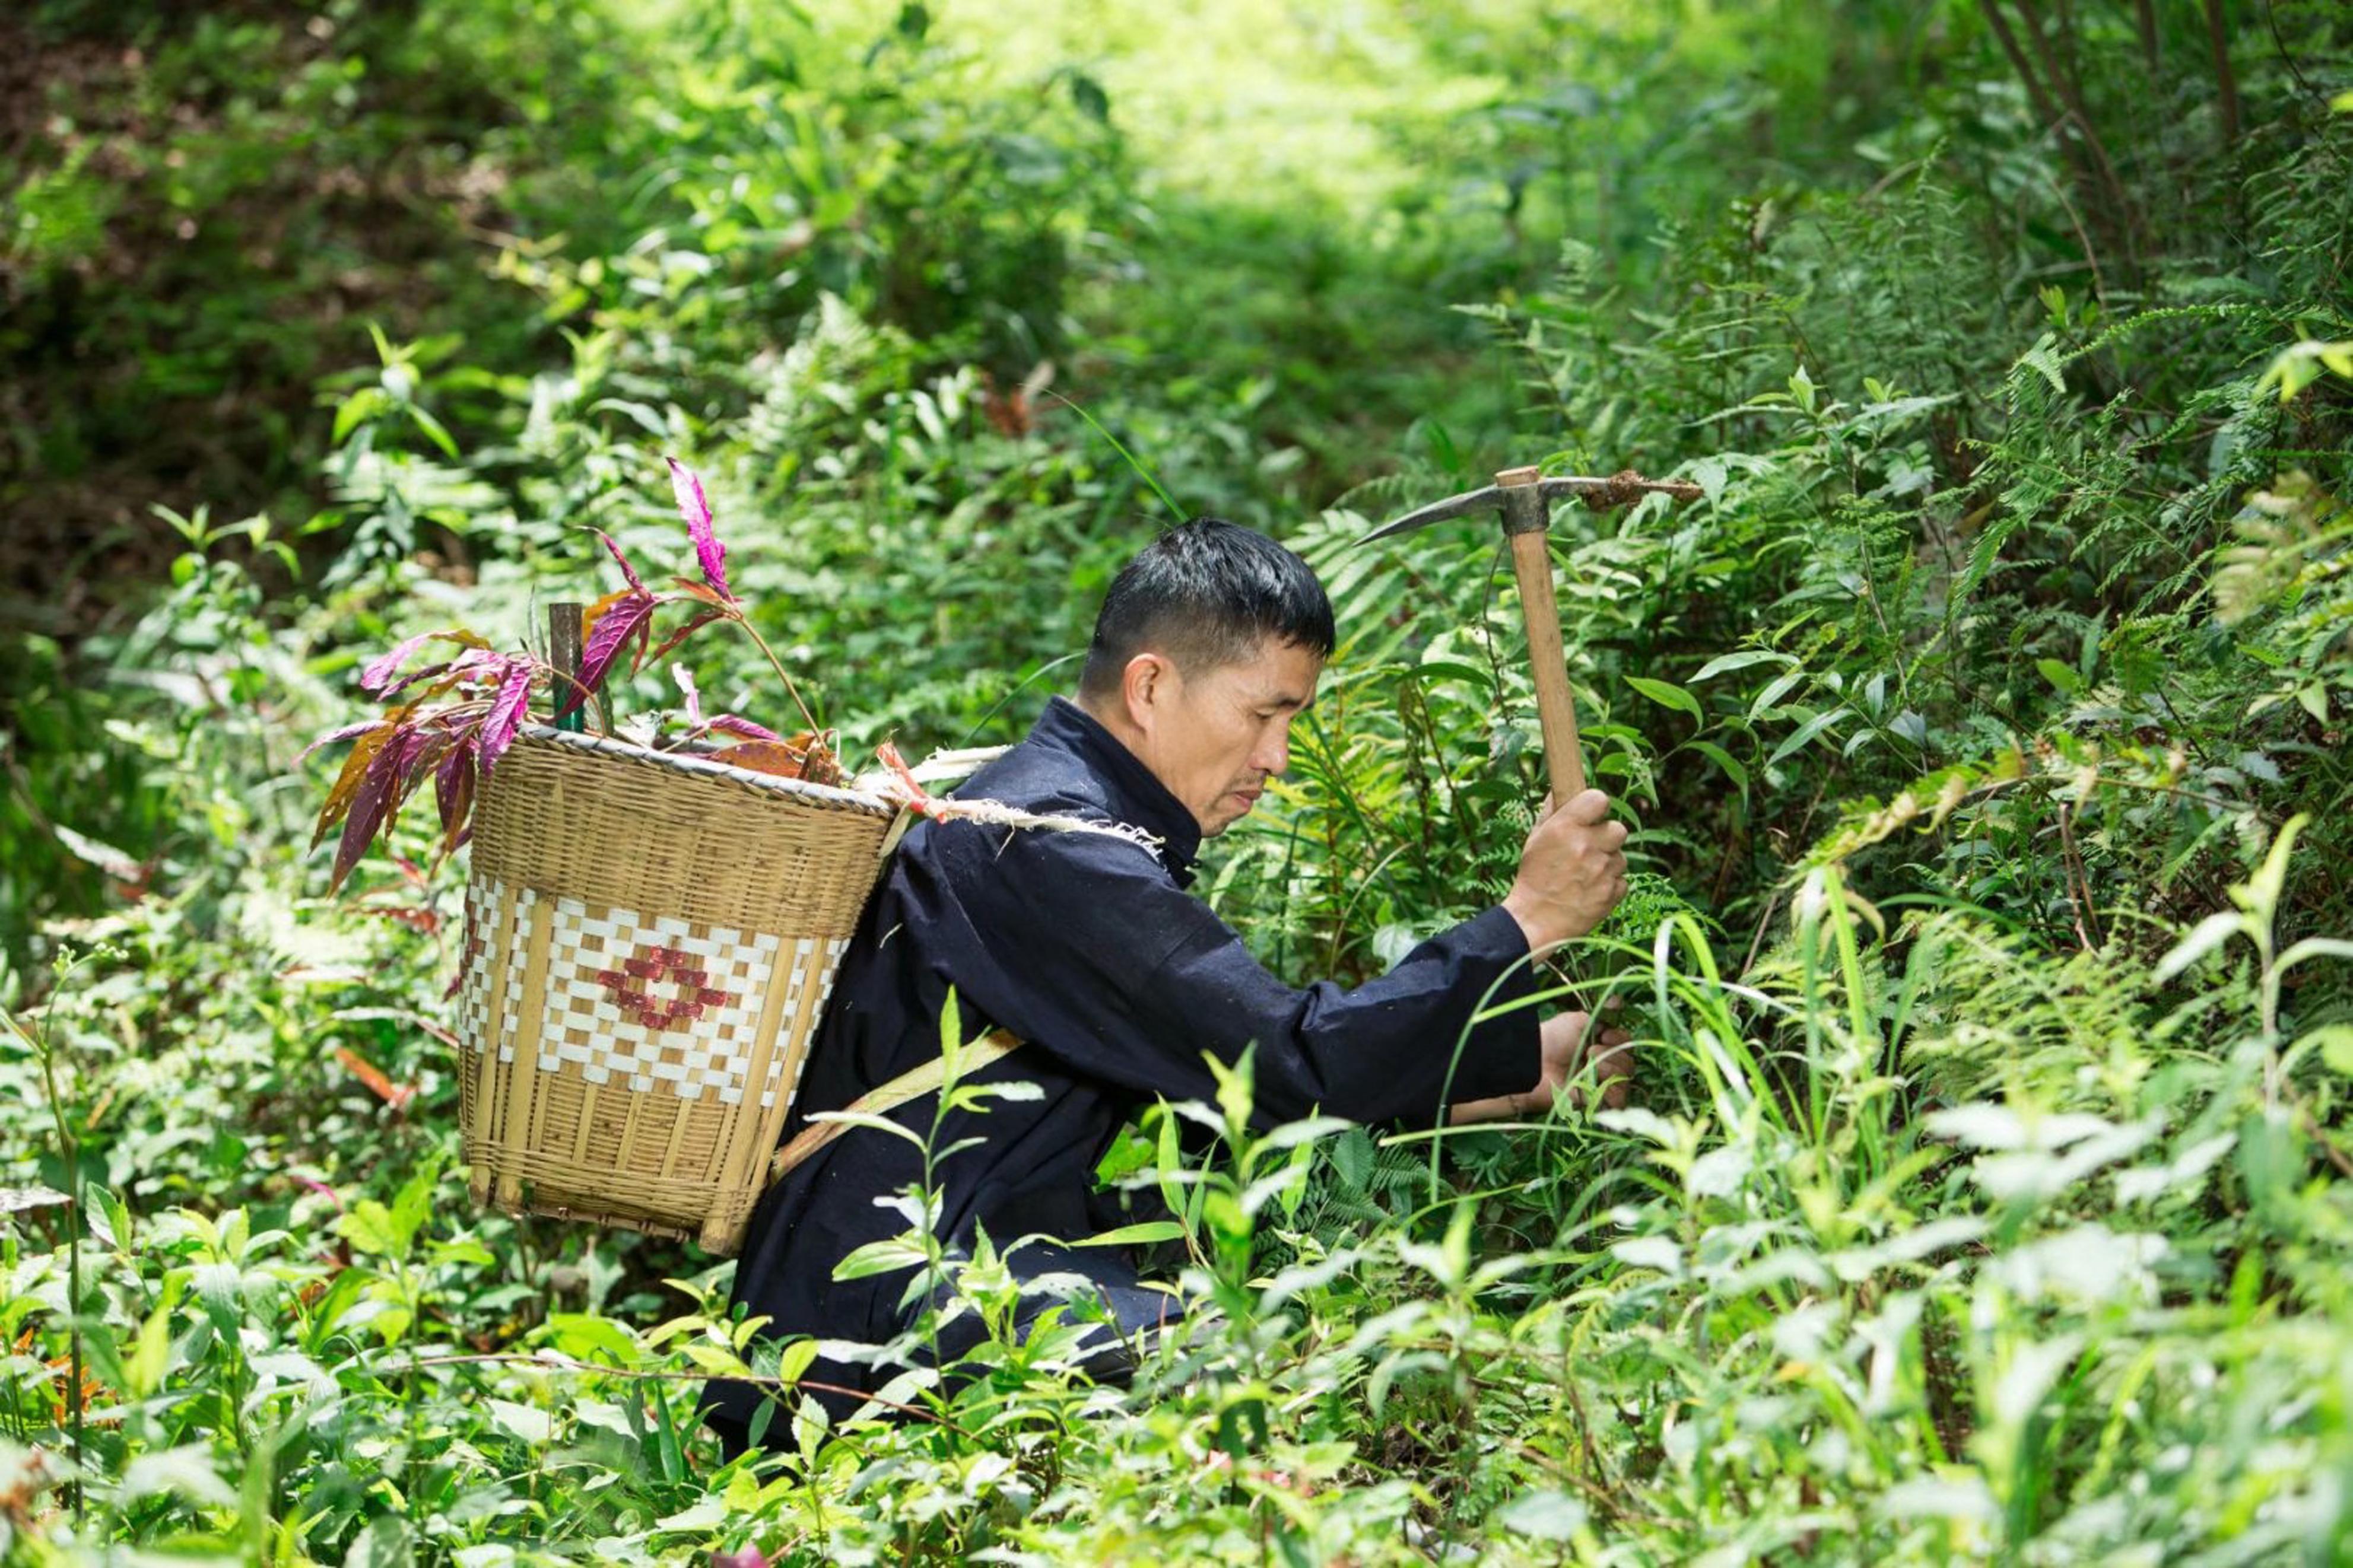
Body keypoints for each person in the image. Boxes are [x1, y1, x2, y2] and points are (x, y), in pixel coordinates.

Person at [701, 518, 1630, 1452]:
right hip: (866, 1328)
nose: (1276, 757)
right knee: (1243, 1363)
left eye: (1292, 722)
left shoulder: (1051, 816)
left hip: (893, 1303)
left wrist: (1503, 1072)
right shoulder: (1046, 844)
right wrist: (1527, 921)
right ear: (1150, 686)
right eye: (1261, 714)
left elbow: (1209, 1099)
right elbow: (1286, 1058)